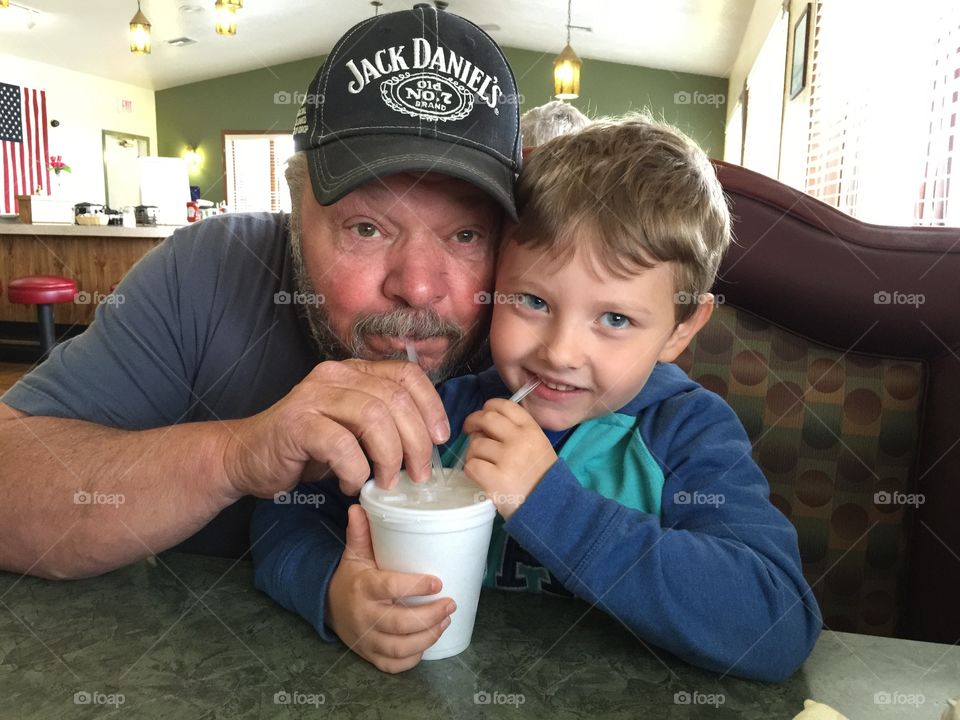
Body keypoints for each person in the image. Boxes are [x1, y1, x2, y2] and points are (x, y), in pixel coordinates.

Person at [251, 115, 822, 681]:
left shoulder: (689, 434)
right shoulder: (440, 409)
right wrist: (332, 588)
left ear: (680, 327)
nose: (560, 351)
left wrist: (548, 503)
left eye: (616, 318)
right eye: (533, 301)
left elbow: (777, 621)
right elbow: (287, 512)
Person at [0, 6, 522, 577]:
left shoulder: (545, 321)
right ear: (295, 210)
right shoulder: (204, 271)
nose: (419, 288)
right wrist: (233, 455)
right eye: (367, 229)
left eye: (466, 235)